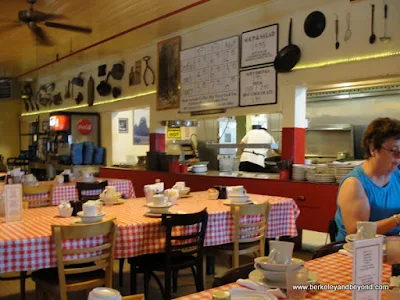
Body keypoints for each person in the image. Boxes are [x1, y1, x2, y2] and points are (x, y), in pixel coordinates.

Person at [335, 117, 400, 241]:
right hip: (356, 251)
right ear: (373, 150)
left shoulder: (397, 175)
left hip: (391, 245)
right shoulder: (354, 184)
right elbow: (357, 232)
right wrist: (396, 220)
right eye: (394, 151)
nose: (399, 157)